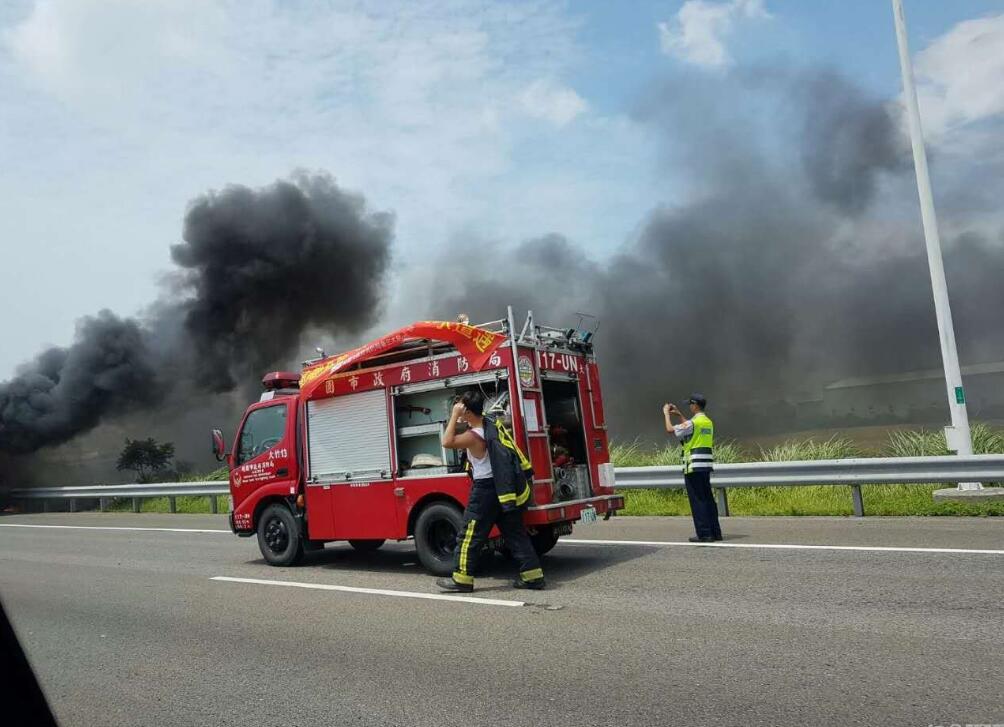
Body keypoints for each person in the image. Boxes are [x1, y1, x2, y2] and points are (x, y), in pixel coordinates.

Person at [436, 390, 545, 592]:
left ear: (467, 411)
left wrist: (453, 416)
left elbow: (446, 442)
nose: (458, 408)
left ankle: (462, 579)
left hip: (485, 490)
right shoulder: (491, 424)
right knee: (515, 534)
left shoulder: (473, 436)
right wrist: (463, 412)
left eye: (461, 407)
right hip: (504, 490)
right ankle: (533, 576)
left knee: (470, 534)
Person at [664, 394, 722, 543]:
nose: (689, 407)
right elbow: (689, 428)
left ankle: (704, 534)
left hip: (693, 466)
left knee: (698, 500)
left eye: (690, 404)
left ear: (695, 405)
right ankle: (715, 532)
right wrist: (679, 415)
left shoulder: (693, 423)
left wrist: (666, 414)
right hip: (706, 465)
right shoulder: (707, 422)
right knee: (708, 499)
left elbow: (670, 430)